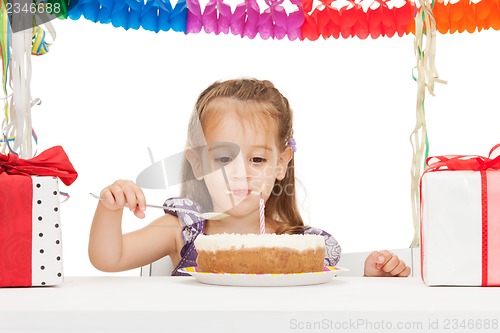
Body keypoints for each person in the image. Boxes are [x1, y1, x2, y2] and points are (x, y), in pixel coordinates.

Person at [89, 78, 411, 278]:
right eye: (223, 158)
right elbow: (109, 258)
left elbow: (329, 286)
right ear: (198, 163)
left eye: (257, 159)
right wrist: (111, 207)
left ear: (281, 163)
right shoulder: (183, 230)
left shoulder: (296, 243)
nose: (240, 172)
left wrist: (368, 273)